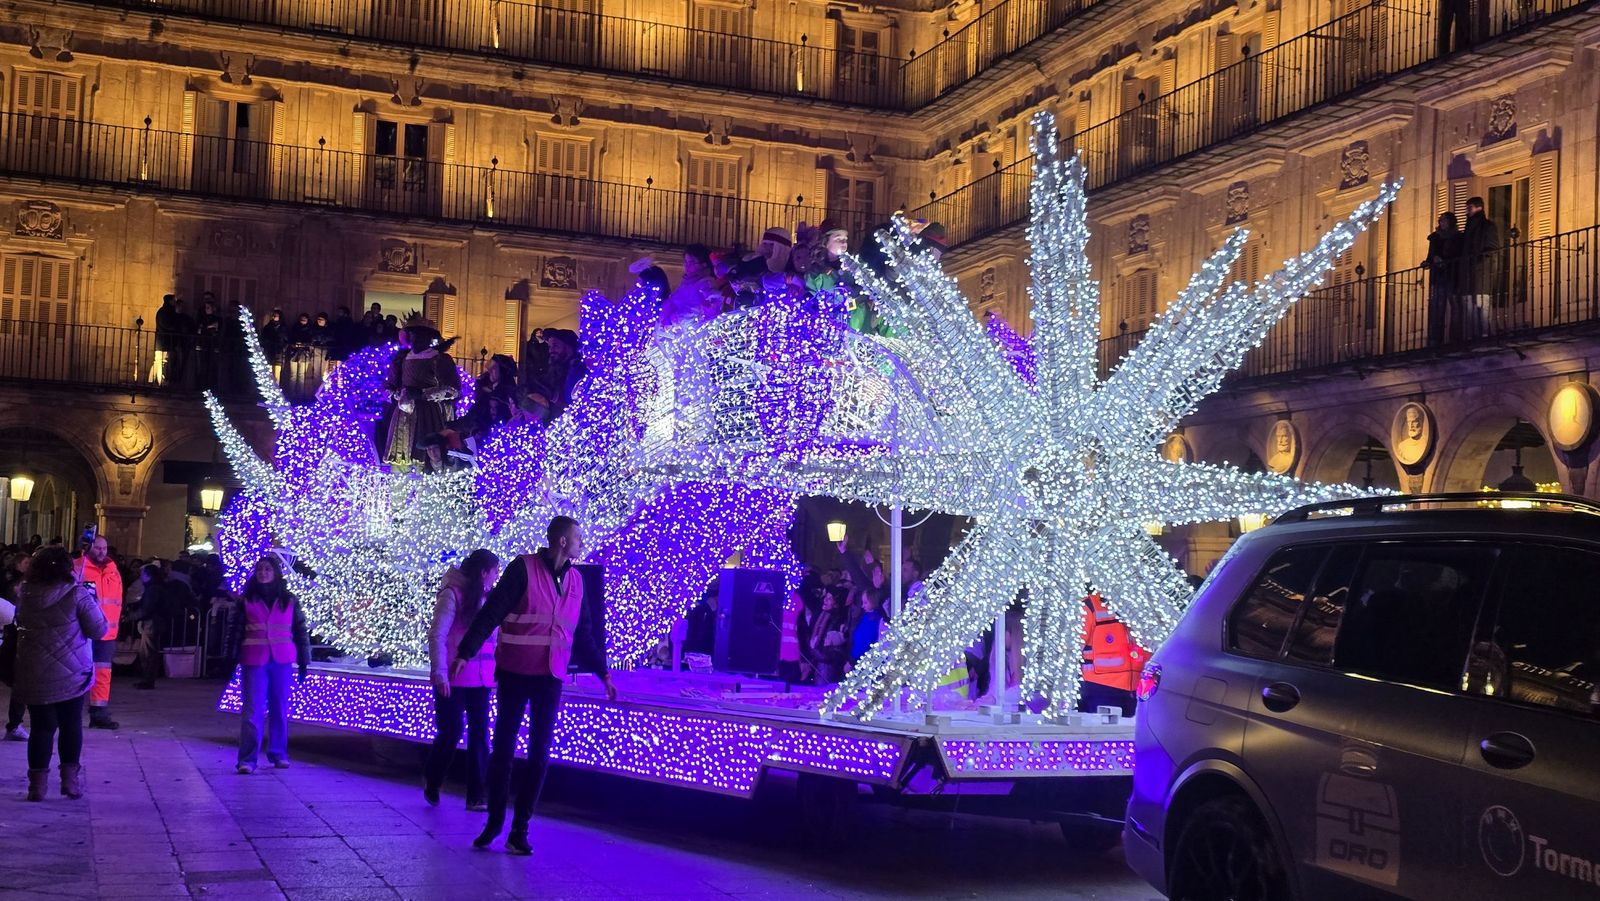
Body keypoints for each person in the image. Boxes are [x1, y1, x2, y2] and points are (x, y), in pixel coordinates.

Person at [454, 516, 615, 855]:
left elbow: (584, 634)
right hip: (514, 672)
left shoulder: (577, 582)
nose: (581, 543)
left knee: (540, 755)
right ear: (562, 542)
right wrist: (465, 652)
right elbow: (492, 612)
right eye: (578, 537)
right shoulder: (522, 569)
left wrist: (604, 674)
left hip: (550, 678)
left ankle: (519, 830)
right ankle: (495, 822)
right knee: (502, 752)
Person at [13, 546, 108, 801]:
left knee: (41, 728)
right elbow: (99, 629)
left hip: (34, 672)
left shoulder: (26, 595)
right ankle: (70, 782)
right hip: (72, 672)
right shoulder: (77, 594)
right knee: (70, 724)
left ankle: (37, 787)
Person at [424, 549, 501, 811]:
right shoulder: (452, 594)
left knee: (480, 734)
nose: (496, 577)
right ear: (483, 573)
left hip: (481, 681)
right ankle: (433, 781)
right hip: (453, 678)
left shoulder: (488, 599)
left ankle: (476, 795)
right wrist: (439, 672)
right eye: (494, 572)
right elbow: (438, 635)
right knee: (451, 731)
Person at [225, 554, 311, 774]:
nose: (263, 573)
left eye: (268, 570)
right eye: (260, 569)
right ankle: (247, 759)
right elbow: (235, 631)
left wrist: (304, 659)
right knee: (252, 710)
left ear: (275, 573)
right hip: (254, 659)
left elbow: (300, 630)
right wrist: (230, 658)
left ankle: (279, 753)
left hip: (282, 659)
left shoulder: (289, 600)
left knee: (279, 708)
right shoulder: (246, 600)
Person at [380, 314, 462, 472]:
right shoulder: (401, 359)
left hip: (429, 415)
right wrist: (398, 394)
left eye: (418, 334)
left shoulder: (440, 359)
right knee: (400, 461)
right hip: (403, 415)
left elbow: (453, 390)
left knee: (426, 458)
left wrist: (422, 394)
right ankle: (399, 492)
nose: (414, 338)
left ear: (427, 336)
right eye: (411, 334)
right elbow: (388, 386)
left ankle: (427, 489)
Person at [74, 535, 124, 731]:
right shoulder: (78, 568)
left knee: (103, 674)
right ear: (88, 548)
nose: (102, 551)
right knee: (77, 673)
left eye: (104, 548)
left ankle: (99, 714)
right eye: (97, 548)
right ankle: (71, 712)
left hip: (106, 634)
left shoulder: (113, 571)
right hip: (82, 632)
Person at [1458, 196, 1502, 340]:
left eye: (1469, 208)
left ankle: (1484, 335)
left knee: (1482, 305)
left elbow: (1492, 248)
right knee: (1470, 306)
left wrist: (1478, 260)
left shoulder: (1487, 226)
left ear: (1479, 208)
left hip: (1481, 273)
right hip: (1469, 273)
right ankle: (1473, 336)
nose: (1466, 212)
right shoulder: (1468, 230)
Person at [1423, 212, 1461, 344]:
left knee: (1455, 307)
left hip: (1452, 275)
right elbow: (1430, 255)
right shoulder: (1434, 238)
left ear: (1451, 222)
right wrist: (1431, 260)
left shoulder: (1458, 237)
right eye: (1441, 220)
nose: (1442, 223)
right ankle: (1435, 339)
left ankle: (1454, 338)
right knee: (1438, 308)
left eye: (1444, 220)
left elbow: (1459, 255)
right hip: (1438, 277)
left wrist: (1445, 260)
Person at [151, 294, 181, 385]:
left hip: (166, 341)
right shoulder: (163, 312)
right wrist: (176, 328)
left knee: (163, 362)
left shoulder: (167, 312)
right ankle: (158, 382)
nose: (175, 302)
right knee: (160, 362)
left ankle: (160, 381)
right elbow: (166, 325)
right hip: (163, 341)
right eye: (173, 300)